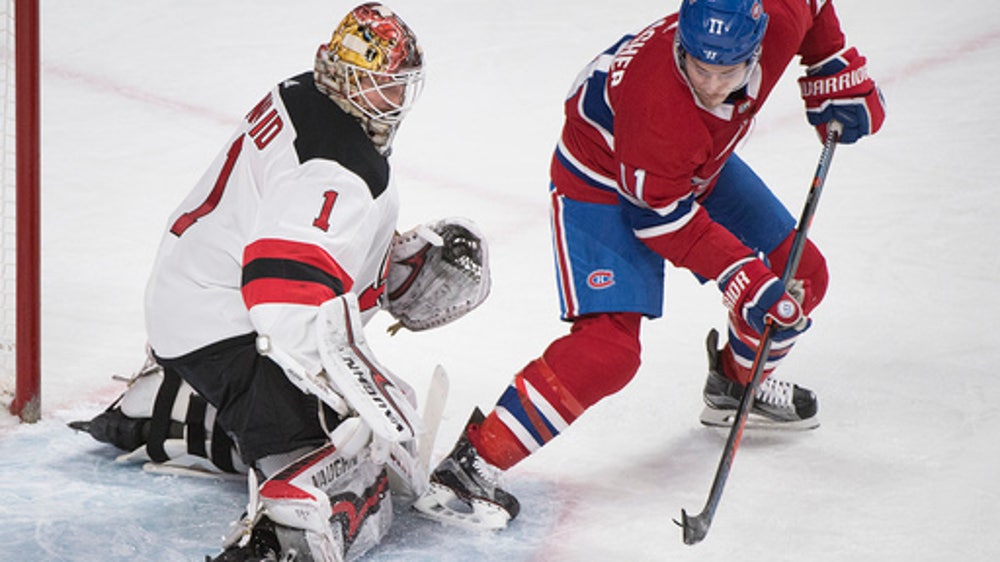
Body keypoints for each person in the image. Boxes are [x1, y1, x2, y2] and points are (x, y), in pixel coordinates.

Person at [412, 0, 886, 530]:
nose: (708, 82)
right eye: (696, 65)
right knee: (609, 350)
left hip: (696, 166)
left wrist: (831, 64)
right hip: (603, 181)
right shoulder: (656, 102)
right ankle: (471, 464)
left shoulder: (776, 18)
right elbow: (661, 219)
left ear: (757, 47)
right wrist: (741, 278)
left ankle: (734, 386)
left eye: (725, 70)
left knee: (804, 277)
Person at [70, 3, 493, 561]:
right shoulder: (335, 166)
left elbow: (296, 236)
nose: (397, 101)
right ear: (353, 82)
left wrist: (383, 268)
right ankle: (275, 538)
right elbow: (282, 298)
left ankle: (176, 398)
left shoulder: (308, 96)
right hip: (224, 325)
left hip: (197, 295)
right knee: (342, 451)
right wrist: (359, 388)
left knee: (328, 417)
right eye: (386, 86)